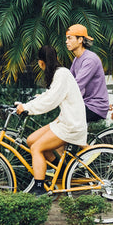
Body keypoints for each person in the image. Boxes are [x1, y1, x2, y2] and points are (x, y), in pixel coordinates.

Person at [15, 44, 88, 195]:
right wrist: (29, 103)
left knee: (36, 148)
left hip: (70, 125)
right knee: (30, 140)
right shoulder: (59, 73)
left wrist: (28, 109)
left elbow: (51, 100)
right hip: (65, 120)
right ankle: (62, 173)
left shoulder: (62, 74)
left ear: (41, 62)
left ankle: (40, 188)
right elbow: (50, 95)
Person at [65, 23, 109, 123]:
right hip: (85, 103)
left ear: (80, 40)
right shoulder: (77, 59)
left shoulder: (90, 60)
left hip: (95, 106)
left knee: (64, 122)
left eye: (69, 38)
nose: (66, 42)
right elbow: (69, 80)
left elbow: (76, 85)